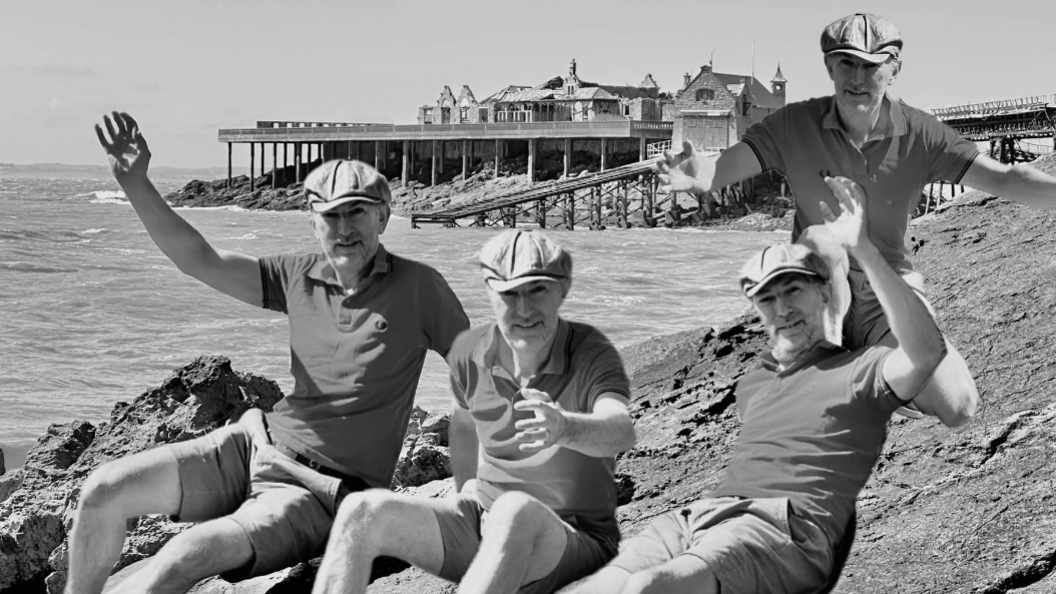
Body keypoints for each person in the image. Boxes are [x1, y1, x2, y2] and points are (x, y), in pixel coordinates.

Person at [68, 112, 470, 594]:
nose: (344, 228)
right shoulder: (297, 275)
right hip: (255, 443)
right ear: (313, 224)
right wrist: (135, 184)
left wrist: (473, 493)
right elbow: (199, 260)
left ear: (383, 215)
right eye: (330, 215)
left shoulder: (420, 288)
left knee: (183, 554)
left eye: (357, 212)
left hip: (322, 491)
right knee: (102, 490)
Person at [565, 175, 978, 594]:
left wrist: (866, 253)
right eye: (767, 299)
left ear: (824, 295)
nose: (782, 309)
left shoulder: (861, 370)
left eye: (794, 290)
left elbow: (930, 361)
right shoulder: (756, 382)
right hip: (700, 516)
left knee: (647, 589)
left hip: (783, 525)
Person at [658, 12, 1056, 413]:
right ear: (830, 65)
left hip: (886, 285)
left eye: (871, 65)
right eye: (847, 62)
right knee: (824, 240)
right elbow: (722, 167)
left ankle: (868, 369)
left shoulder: (921, 134)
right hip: (816, 286)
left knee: (957, 405)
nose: (857, 78)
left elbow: (1006, 179)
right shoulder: (793, 123)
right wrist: (699, 174)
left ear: (894, 68)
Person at [311, 229, 637, 594]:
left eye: (537, 291)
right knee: (361, 511)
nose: (524, 309)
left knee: (515, 509)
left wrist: (566, 428)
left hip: (572, 541)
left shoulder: (590, 352)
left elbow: (621, 429)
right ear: (491, 293)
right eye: (509, 293)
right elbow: (463, 426)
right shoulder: (471, 350)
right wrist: (466, 489)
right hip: (484, 523)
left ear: (562, 289)